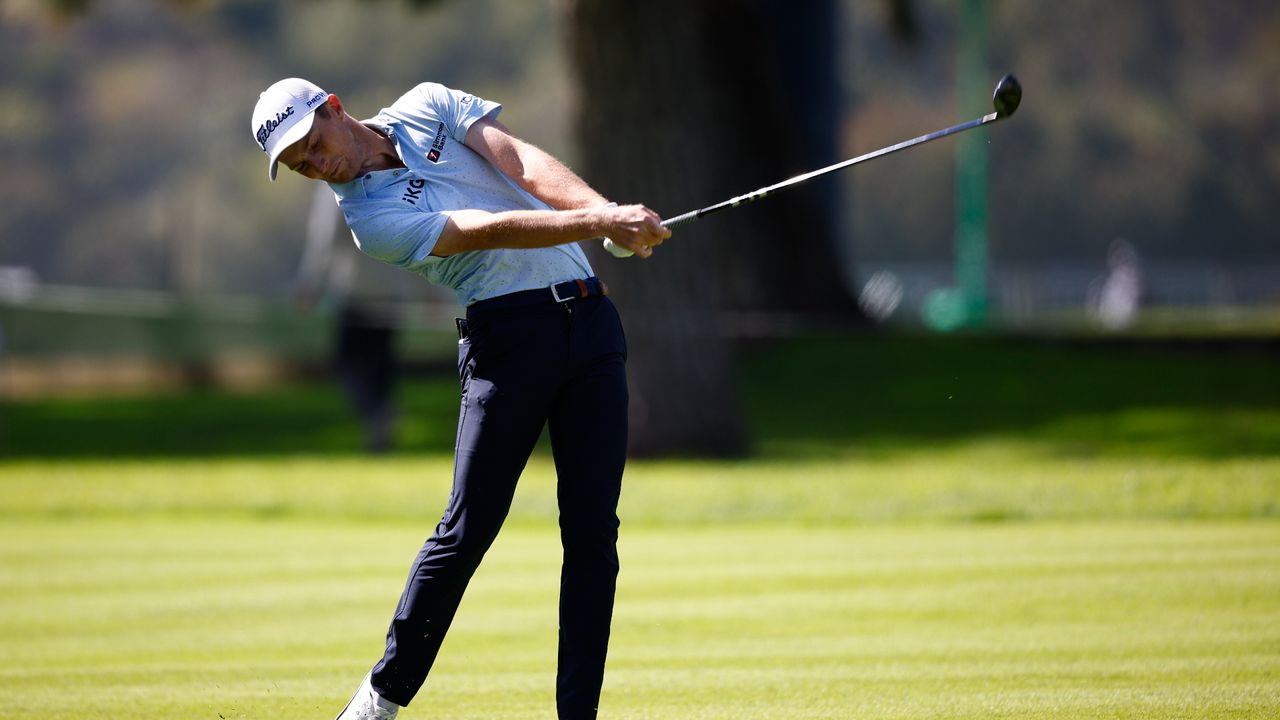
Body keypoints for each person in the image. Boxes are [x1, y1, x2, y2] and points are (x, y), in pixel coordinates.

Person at [250, 78, 670, 720]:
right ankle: (380, 701)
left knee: (592, 535)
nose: (315, 164)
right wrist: (597, 221)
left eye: (312, 144)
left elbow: (520, 162)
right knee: (467, 530)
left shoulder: (427, 106)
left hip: (591, 326)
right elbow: (483, 230)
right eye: (300, 164)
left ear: (334, 108)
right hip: (506, 343)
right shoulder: (368, 220)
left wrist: (605, 214)